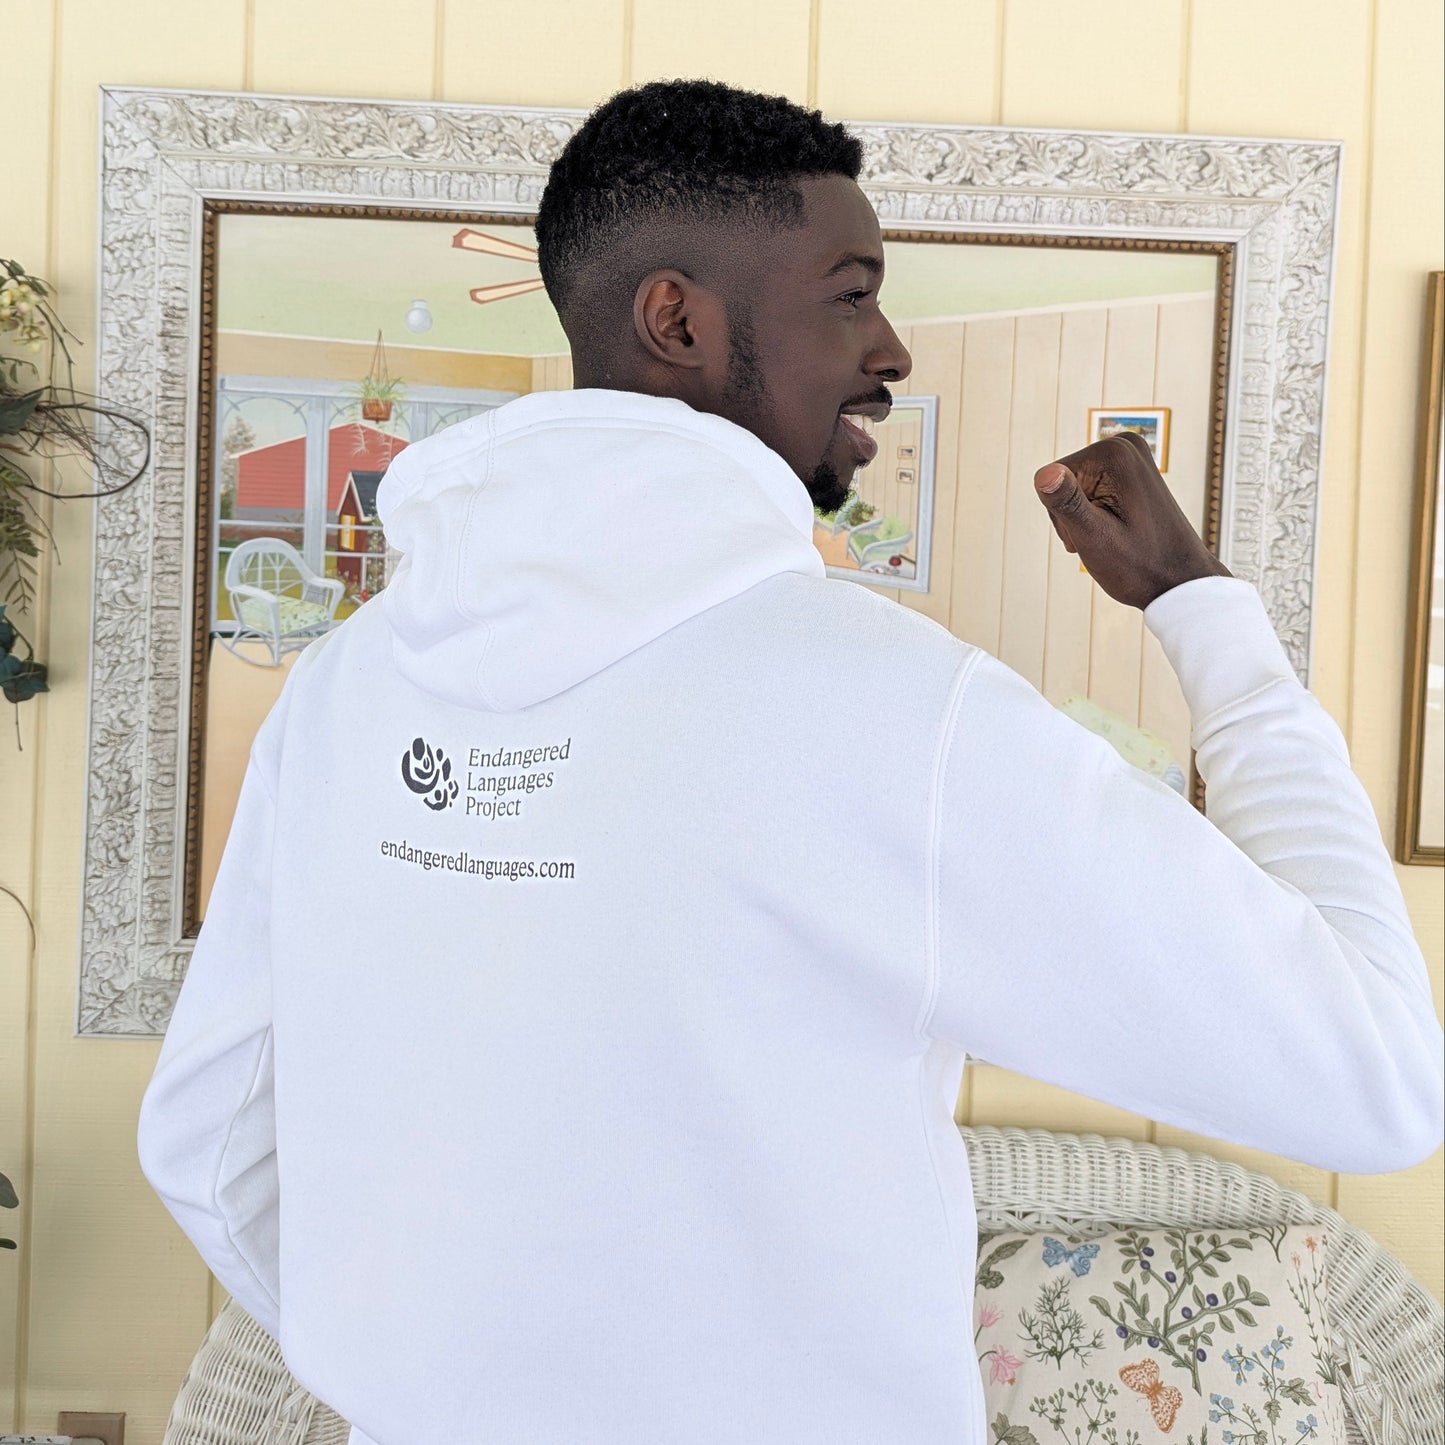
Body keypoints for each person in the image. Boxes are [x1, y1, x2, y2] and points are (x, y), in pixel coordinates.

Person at [137, 80, 1443, 1445]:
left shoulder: (348, 684)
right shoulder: (892, 711)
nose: (890, 348)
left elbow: (207, 1139)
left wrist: (437, 1381)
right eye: (849, 292)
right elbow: (1372, 1070)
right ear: (679, 319)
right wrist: (1202, 610)